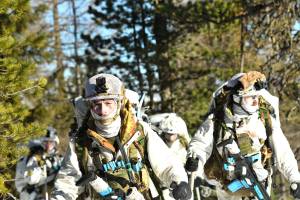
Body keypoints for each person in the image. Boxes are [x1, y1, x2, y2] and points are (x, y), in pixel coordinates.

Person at [51, 74, 191, 200]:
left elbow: (166, 164)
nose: (103, 111)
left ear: (118, 104)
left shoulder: (139, 131)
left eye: (108, 103)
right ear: (90, 106)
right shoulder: (81, 142)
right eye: (97, 105)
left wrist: (179, 182)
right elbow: (68, 180)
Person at [185, 71, 300, 200]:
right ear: (237, 98)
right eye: (251, 97)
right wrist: (194, 162)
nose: (256, 102)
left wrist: (295, 178)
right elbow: (200, 145)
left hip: (259, 187)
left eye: (256, 97)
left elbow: (283, 152)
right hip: (228, 189)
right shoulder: (217, 120)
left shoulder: (264, 119)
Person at [150, 113, 191, 200]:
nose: (170, 136)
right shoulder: (158, 144)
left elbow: (192, 160)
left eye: (173, 134)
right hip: (163, 186)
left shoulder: (184, 145)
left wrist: (194, 172)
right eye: (168, 133)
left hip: (182, 184)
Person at [15, 127, 62, 200]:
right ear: (41, 143)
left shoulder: (56, 158)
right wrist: (39, 168)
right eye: (46, 143)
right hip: (30, 194)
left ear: (55, 143)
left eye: (51, 143)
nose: (48, 146)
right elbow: (30, 179)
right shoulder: (34, 157)